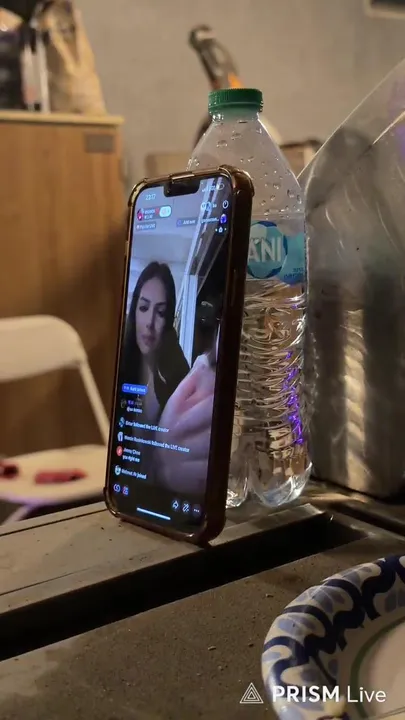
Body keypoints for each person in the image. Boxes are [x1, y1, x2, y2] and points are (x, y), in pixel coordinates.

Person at [122, 261, 216, 496]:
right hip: (126, 484)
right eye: (144, 308)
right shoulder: (124, 360)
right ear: (134, 310)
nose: (150, 323)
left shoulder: (177, 374)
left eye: (161, 312)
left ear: (169, 319)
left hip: (160, 493)